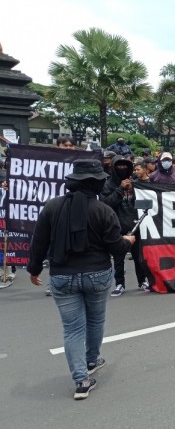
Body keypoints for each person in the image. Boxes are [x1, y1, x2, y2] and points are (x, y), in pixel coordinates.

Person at [27, 159, 134, 400]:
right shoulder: (103, 210)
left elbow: (39, 243)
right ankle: (92, 360)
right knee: (95, 320)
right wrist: (127, 242)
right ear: (96, 184)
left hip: (62, 276)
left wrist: (33, 269)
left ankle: (81, 380)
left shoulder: (51, 207)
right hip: (97, 275)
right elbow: (116, 248)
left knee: (73, 329)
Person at [100, 156, 150, 295]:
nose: (122, 169)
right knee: (118, 258)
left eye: (125, 166)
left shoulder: (135, 183)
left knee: (138, 256)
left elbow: (145, 202)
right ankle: (119, 284)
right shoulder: (108, 185)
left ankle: (142, 281)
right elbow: (106, 204)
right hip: (117, 227)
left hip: (136, 225)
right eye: (119, 166)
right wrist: (120, 190)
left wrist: (136, 190)